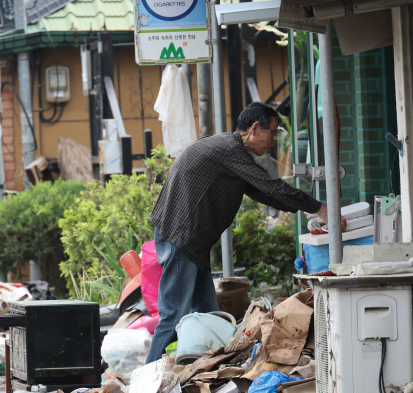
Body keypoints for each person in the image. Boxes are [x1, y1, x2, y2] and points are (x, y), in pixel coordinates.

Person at [145, 102, 346, 363]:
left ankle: (203, 376)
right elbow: (271, 186)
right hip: (181, 238)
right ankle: (146, 386)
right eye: (272, 132)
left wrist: (306, 211)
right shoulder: (230, 150)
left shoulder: (232, 154)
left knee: (208, 314)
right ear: (254, 128)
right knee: (173, 317)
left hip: (192, 241)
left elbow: (264, 193)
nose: (273, 142)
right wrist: (320, 208)